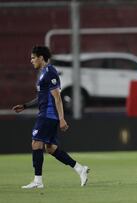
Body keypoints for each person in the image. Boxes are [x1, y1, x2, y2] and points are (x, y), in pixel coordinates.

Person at [12, 46, 89, 188]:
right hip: (46, 114)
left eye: (33, 57)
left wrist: (61, 118)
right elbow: (41, 97)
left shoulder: (50, 73)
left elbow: (57, 97)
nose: (31, 61)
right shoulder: (43, 73)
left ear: (41, 58)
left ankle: (38, 181)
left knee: (36, 143)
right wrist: (25, 105)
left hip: (48, 115)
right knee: (51, 148)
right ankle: (80, 168)